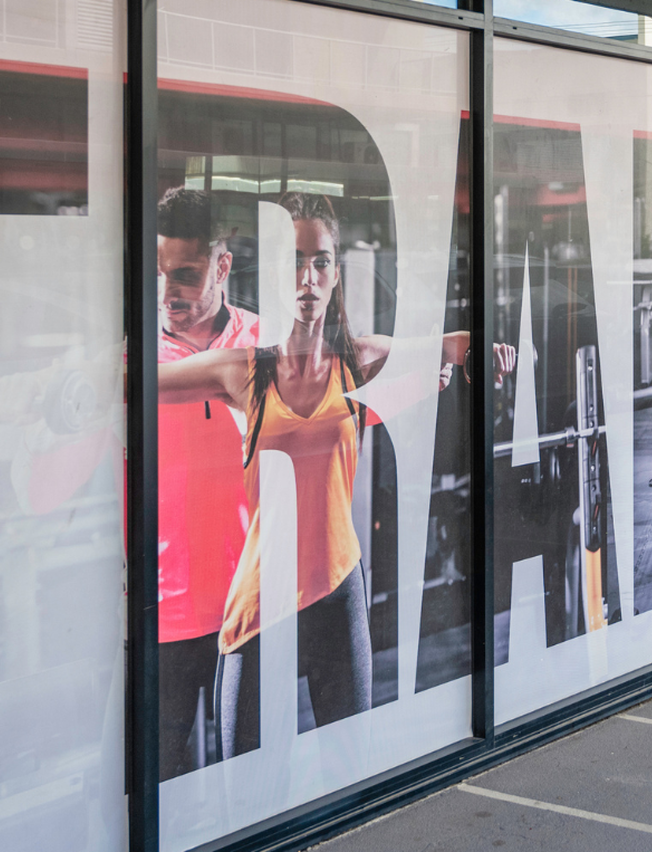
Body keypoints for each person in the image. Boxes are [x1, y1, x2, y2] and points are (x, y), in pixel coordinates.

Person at [158, 191, 513, 755]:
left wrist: (487, 353)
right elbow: (140, 382)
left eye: (320, 262)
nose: (308, 277)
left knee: (350, 766)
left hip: (337, 586)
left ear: (335, 273)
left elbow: (449, 346)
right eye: (295, 261)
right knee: (246, 782)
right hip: (263, 595)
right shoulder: (242, 369)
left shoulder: (358, 358)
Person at [155, 187, 260, 779]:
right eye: (159, 272)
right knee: (157, 791)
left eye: (186, 275)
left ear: (222, 267)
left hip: (248, 606)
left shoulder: (265, 342)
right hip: (162, 612)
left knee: (251, 787)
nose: (167, 291)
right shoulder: (130, 356)